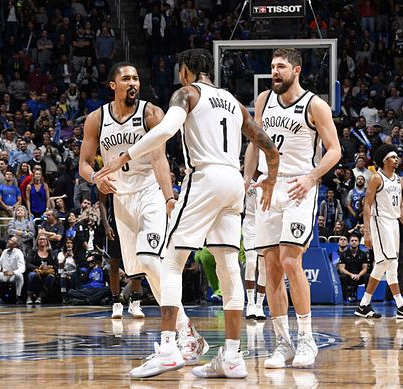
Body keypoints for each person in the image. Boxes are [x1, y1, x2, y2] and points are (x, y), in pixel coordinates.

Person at [94, 50, 279, 379]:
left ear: (188, 72)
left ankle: (169, 349)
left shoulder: (187, 93)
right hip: (234, 181)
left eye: (180, 70)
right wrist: (272, 177)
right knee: (227, 266)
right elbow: (265, 142)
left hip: (205, 177)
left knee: (170, 262)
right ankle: (233, 357)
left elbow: (166, 131)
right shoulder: (234, 103)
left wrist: (124, 156)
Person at [81, 60, 239, 371]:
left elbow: (159, 158)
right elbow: (85, 163)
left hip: (150, 193)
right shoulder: (96, 118)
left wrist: (168, 197)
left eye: (136, 77)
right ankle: (187, 330)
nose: (133, 82)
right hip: (120, 200)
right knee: (141, 269)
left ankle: (174, 339)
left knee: (154, 260)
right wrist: (95, 178)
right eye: (126, 78)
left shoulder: (151, 112)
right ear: (113, 85)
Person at [242, 48, 340, 369]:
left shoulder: (315, 105)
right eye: (272, 66)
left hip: (299, 186)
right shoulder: (262, 101)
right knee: (269, 265)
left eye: (281, 67)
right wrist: (246, 180)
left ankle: (306, 339)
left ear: (296, 70)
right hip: (268, 185)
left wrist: (312, 177)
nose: (275, 72)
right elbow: (255, 143)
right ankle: (282, 342)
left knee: (289, 259)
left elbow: (335, 151)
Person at [356, 143, 403, 320]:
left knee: (387, 264)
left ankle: (364, 305)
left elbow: (400, 207)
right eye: (392, 157)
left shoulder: (399, 179)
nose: (396, 159)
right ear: (384, 160)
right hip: (379, 221)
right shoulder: (377, 178)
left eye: (396, 157)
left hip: (393, 223)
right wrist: (366, 232)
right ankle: (401, 305)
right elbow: (366, 205)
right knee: (388, 262)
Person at [98, 191, 145, 319]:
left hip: (133, 223)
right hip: (114, 224)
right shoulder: (110, 175)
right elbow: (101, 201)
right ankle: (116, 304)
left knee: (137, 263)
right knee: (114, 263)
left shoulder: (132, 175)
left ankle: (135, 302)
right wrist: (106, 225)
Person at [243, 183, 266, 321]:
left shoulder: (270, 176)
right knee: (251, 262)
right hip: (250, 224)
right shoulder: (246, 179)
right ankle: (250, 303)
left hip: (266, 224)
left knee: (263, 267)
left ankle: (259, 305)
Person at [0, 236, 25, 304]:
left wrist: (13, 273)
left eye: (11, 240)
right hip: (4, 274)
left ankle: (18, 296)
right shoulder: (5, 251)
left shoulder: (19, 253)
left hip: (13, 275)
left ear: (15, 244)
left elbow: (22, 267)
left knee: (20, 276)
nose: (9, 241)